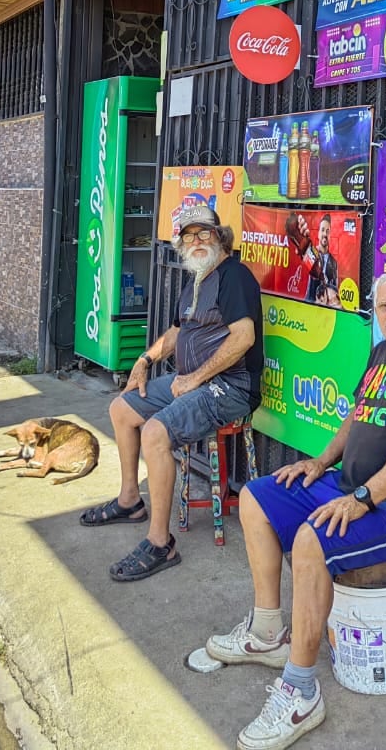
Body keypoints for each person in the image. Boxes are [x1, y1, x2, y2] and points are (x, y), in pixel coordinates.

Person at [206, 269, 386, 750]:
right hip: (349, 485)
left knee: (311, 539)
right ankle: (268, 631)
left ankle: (301, 690)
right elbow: (357, 413)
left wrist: (364, 497)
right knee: (259, 496)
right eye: (384, 307)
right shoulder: (382, 350)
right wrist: (320, 461)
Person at [80, 203, 263, 582]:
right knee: (122, 409)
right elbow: (179, 332)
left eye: (204, 233)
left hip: (230, 387)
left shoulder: (234, 276)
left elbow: (244, 338)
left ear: (219, 236)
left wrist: (194, 378)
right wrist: (146, 359)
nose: (196, 241)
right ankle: (131, 500)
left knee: (155, 433)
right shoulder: (197, 279)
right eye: (188, 235)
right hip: (191, 379)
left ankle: (161, 543)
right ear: (180, 243)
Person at [301, 213, 338, 307]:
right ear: (318, 233)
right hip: (310, 305)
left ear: (330, 235)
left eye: (328, 231)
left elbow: (335, 287)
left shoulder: (334, 263)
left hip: (327, 309)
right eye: (322, 230)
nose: (325, 234)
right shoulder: (311, 253)